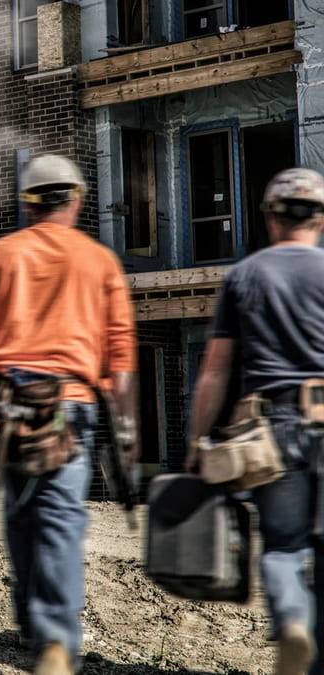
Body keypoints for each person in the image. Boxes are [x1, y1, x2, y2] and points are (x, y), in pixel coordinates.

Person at [0, 154, 137, 675]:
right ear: (75, 200)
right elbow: (121, 353)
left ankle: (32, 623)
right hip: (67, 407)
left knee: (19, 513)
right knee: (60, 517)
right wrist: (127, 424)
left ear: (27, 204)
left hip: (4, 405)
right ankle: (53, 640)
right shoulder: (99, 262)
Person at [188, 168, 324, 675]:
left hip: (274, 427)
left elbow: (215, 371)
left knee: (284, 545)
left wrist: (200, 440)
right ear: (321, 219)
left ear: (270, 218)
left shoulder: (245, 276)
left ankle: (291, 622)